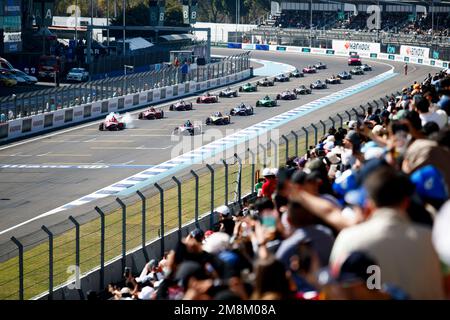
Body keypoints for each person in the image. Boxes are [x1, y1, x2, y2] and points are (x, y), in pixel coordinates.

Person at [330, 166, 445, 299]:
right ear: (406, 202)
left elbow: (337, 291)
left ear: (369, 204)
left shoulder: (347, 238)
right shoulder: (432, 238)